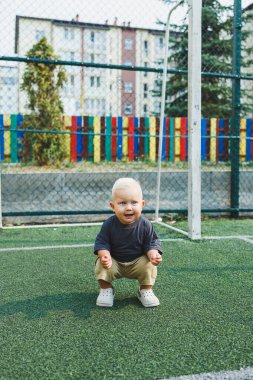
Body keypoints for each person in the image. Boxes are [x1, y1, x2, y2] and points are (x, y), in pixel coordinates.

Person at [94, 177, 162, 308]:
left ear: (142, 205)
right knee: (100, 263)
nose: (129, 208)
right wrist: (105, 255)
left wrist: (153, 254)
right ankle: (106, 289)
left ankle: (145, 290)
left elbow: (151, 243)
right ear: (112, 206)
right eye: (122, 203)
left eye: (134, 203)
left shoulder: (145, 225)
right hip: (115, 263)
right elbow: (102, 243)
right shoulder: (109, 224)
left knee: (149, 264)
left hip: (137, 263)